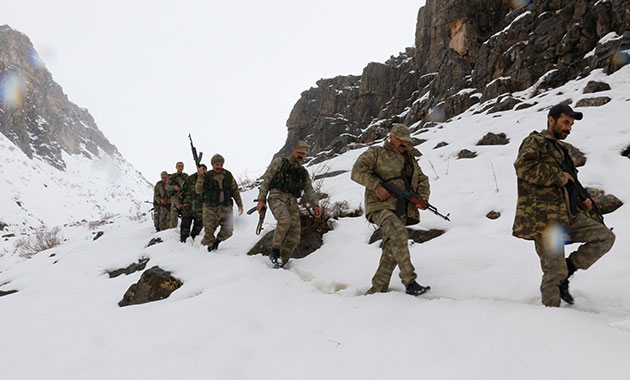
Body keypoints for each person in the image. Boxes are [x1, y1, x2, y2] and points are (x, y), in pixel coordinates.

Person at [512, 103, 615, 307]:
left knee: (605, 237)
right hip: (546, 221)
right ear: (551, 120)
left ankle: (568, 269)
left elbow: (568, 184)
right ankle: (553, 320)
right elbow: (523, 168)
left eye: (571, 124)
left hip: (568, 216)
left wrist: (583, 199)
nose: (568, 128)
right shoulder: (536, 141)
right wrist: (558, 176)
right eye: (565, 122)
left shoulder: (560, 149)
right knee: (553, 273)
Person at [351, 123, 431, 296]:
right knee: (399, 233)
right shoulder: (376, 153)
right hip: (380, 206)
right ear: (391, 138)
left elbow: (423, 179)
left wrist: (423, 198)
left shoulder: (411, 160)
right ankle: (410, 282)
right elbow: (357, 171)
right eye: (400, 140)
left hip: (402, 209)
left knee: (392, 250)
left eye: (406, 141)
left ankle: (377, 291)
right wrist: (376, 186)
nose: (404, 143)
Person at [256, 141, 321, 268]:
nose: (300, 155)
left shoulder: (303, 172)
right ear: (293, 150)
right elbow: (267, 181)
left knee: (295, 235)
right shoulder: (280, 162)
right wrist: (261, 200)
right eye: (299, 152)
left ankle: (280, 263)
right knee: (284, 220)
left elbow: (309, 189)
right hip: (276, 197)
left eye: (303, 153)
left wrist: (315, 205)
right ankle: (274, 251)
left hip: (292, 201)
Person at [195, 154, 243, 251]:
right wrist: (200, 176)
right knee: (209, 232)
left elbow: (235, 190)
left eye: (221, 164)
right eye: (217, 164)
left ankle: (216, 242)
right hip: (210, 208)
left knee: (228, 231)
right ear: (212, 164)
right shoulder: (206, 176)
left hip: (226, 207)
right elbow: (198, 190)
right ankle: (204, 252)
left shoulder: (228, 175)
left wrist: (239, 204)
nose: (219, 166)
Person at [179, 164, 206, 243]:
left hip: (200, 207)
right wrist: (180, 202)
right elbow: (181, 190)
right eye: (202, 169)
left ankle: (193, 240)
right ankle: (183, 241)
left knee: (198, 225)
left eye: (204, 169)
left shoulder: (207, 179)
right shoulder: (190, 178)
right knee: (185, 225)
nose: (203, 171)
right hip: (188, 205)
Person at [166, 162, 188, 229]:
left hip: (184, 200)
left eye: (182, 166)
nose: (180, 168)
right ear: (176, 167)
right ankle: (172, 234)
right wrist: (174, 187)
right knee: (173, 220)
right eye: (179, 166)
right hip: (175, 200)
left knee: (186, 219)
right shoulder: (172, 177)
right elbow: (167, 186)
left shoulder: (186, 176)